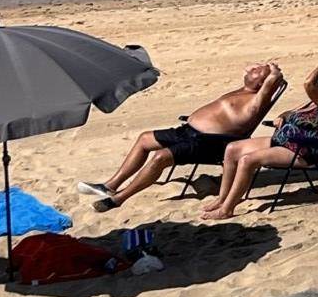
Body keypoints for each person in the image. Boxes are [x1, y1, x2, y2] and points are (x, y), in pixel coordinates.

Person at [78, 61, 287, 208]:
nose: (255, 68)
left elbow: (271, 81)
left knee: (160, 157)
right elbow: (248, 70)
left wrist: (273, 74)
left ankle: (119, 199)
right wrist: (261, 71)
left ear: (264, 84)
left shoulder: (255, 102)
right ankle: (110, 186)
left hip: (211, 143)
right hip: (187, 132)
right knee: (144, 139)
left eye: (260, 71)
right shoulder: (243, 89)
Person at [202, 64, 318, 220]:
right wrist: (282, 117)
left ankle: (227, 209)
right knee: (232, 149)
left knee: (248, 160)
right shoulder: (312, 103)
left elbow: (307, 83)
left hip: (300, 151)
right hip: (281, 141)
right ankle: (222, 198)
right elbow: (290, 112)